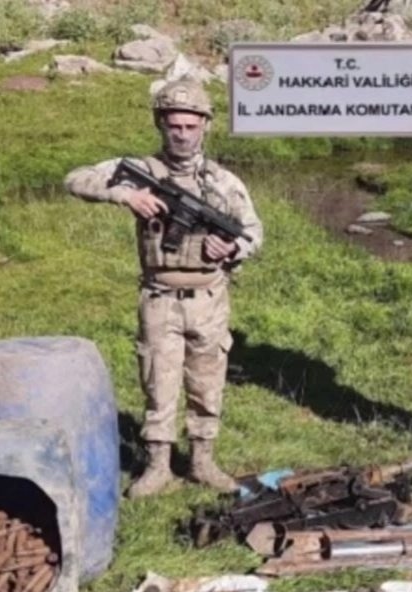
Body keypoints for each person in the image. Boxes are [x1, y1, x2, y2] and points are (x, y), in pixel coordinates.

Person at [64, 77, 263, 497]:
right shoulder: (141, 171)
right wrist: (123, 195)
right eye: (174, 125)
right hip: (159, 298)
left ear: (205, 125)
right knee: (158, 380)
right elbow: (76, 179)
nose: (183, 134)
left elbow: (253, 232)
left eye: (191, 126)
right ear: (160, 124)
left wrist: (231, 248)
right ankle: (158, 467)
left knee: (207, 383)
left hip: (209, 299)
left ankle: (202, 462)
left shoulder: (224, 182)